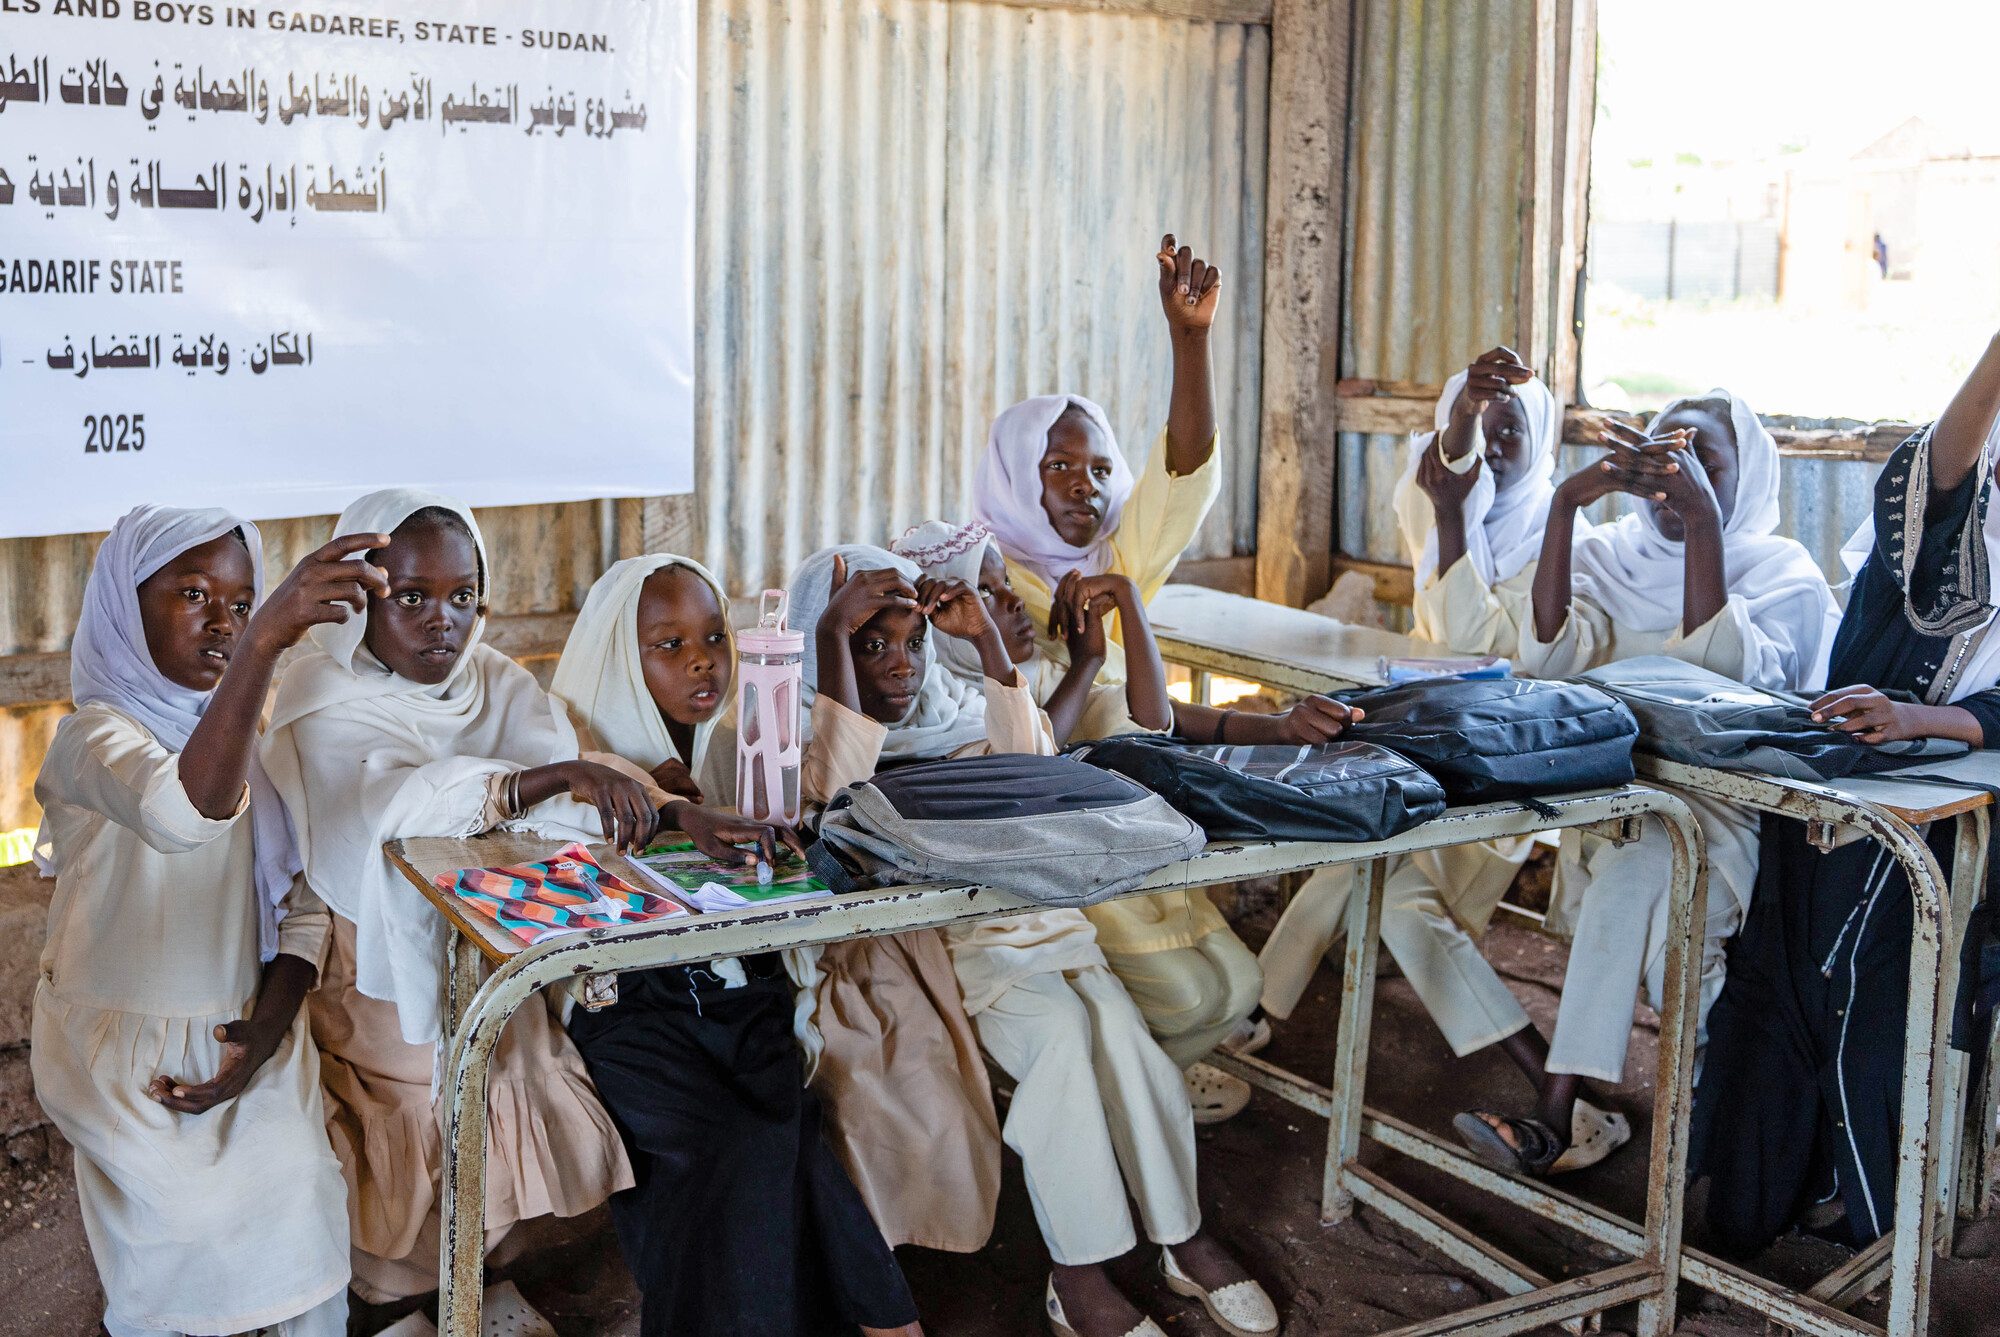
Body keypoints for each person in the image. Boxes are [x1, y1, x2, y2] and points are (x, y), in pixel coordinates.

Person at [791, 545, 1279, 1337]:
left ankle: (1181, 1235)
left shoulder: (947, 709)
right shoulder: (800, 732)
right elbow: (826, 800)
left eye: (912, 642)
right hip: (938, 949)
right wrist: (828, 641)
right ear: (825, 648)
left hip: (1043, 920)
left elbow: (1032, 765)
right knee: (1058, 1041)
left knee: (1124, 1038)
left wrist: (985, 643)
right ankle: (1079, 1277)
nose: (902, 664)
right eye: (869, 644)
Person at [261, 490, 642, 1309]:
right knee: (411, 1129)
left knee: (497, 1118)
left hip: (495, 948)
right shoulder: (318, 699)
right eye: (412, 598)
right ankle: (406, 1304)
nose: (444, 621)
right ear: (358, 600)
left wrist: (630, 797)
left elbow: (571, 806)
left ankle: (477, 1292)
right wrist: (547, 781)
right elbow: (392, 817)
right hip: (374, 966)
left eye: (463, 596)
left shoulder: (495, 684)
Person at [1452, 390, 1839, 1176]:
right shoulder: (1607, 553)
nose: (1677, 478)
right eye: (1661, 460)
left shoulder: (1782, 573)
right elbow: (1546, 662)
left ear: (1749, 474)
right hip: (1616, 807)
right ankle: (1711, 1132)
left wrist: (1704, 525)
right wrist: (1564, 504)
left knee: (1645, 893)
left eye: (1705, 462)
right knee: (1681, 973)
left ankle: (1559, 1113)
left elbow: (1725, 682)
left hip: (1724, 817)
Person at [549, 554, 923, 1336]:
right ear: (621, 654)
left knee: (783, 1129)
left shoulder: (736, 743)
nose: (701, 659)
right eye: (668, 643)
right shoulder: (576, 755)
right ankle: (886, 1322)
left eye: (715, 635)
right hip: (627, 1008)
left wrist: (825, 636)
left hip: (738, 987)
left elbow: (825, 795)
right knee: (726, 1144)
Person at [1254, 353, 1614, 1159]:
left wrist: (1455, 521)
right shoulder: (1433, 500)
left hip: (1507, 767)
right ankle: (1260, 1007)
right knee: (1367, 856)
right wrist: (1458, 448)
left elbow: (1480, 647)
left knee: (1393, 891)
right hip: (1426, 741)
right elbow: (1439, 476)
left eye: (1511, 426)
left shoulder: (1565, 546)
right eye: (1480, 424)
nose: (1492, 440)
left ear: (1546, 437)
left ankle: (1259, 1007)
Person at [1695, 329, 2000, 1251]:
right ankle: (1780, 1183)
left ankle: (1878, 1216)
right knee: (1787, 972)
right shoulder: (1947, 537)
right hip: (1849, 780)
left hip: (1941, 805)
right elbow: (1935, 479)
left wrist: (1921, 719)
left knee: (1873, 995)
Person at [892, 518, 1356, 1117]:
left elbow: (1149, 720)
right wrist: (1086, 666)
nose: (1009, 602)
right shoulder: (942, 702)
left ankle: (1150, 1087)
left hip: (1134, 862)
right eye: (984, 591)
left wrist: (1127, 612)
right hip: (1071, 887)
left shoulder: (1047, 671)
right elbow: (1029, 764)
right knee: (1191, 1000)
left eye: (1006, 583)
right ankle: (1138, 1102)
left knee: (1242, 987)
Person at [30, 507, 355, 1336]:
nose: (223, 621)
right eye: (192, 593)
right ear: (124, 608)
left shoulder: (258, 734)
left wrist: (264, 1036)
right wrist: (261, 648)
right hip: (122, 1062)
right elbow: (184, 812)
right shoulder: (92, 739)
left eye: (244, 604)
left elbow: (305, 906)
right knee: (175, 1266)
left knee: (309, 1232)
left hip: (244, 1033)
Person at [971, 236, 1272, 1111]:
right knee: (1184, 991)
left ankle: (1146, 1079)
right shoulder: (983, 580)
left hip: (1126, 802)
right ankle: (1127, 1093)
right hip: (1038, 830)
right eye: (1057, 466)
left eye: (1101, 468)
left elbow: (1184, 478)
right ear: (1014, 475)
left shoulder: (1112, 564)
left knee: (1230, 983)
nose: (1083, 486)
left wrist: (1191, 344)